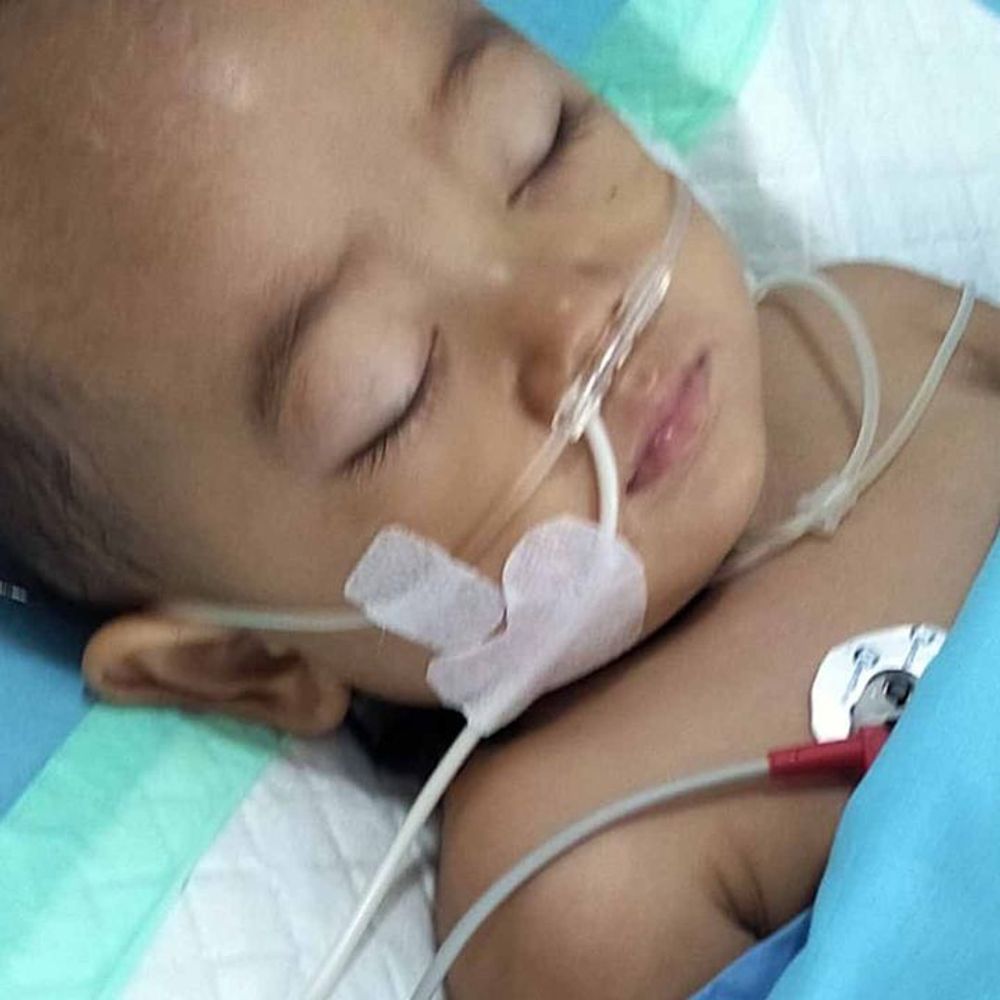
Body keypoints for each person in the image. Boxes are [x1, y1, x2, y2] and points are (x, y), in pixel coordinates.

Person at [0, 1, 997, 995]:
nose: (575, 314)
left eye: (540, 143)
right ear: (246, 661)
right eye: (389, 392)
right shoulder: (580, 883)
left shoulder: (876, 335)